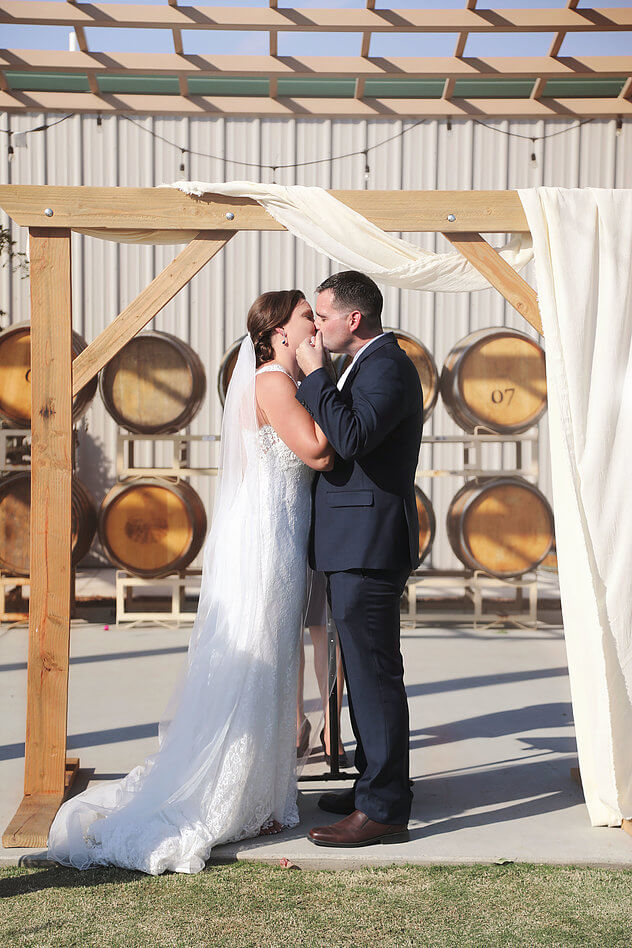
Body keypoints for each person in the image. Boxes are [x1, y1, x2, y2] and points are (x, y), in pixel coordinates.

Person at [46, 290, 334, 875]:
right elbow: (318, 452)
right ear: (280, 330)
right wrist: (320, 375)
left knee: (276, 659)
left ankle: (266, 794)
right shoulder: (276, 383)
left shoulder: (271, 379)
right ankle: (234, 794)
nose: (314, 325)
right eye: (307, 316)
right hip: (270, 540)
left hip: (277, 533)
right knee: (263, 657)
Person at [295, 270, 423, 848]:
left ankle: (383, 809)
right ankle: (376, 781)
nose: (315, 329)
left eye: (322, 317)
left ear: (353, 319)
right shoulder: (367, 363)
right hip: (355, 540)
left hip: (371, 543)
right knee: (365, 669)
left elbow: (349, 438)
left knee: (373, 676)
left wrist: (314, 375)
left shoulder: (388, 366)